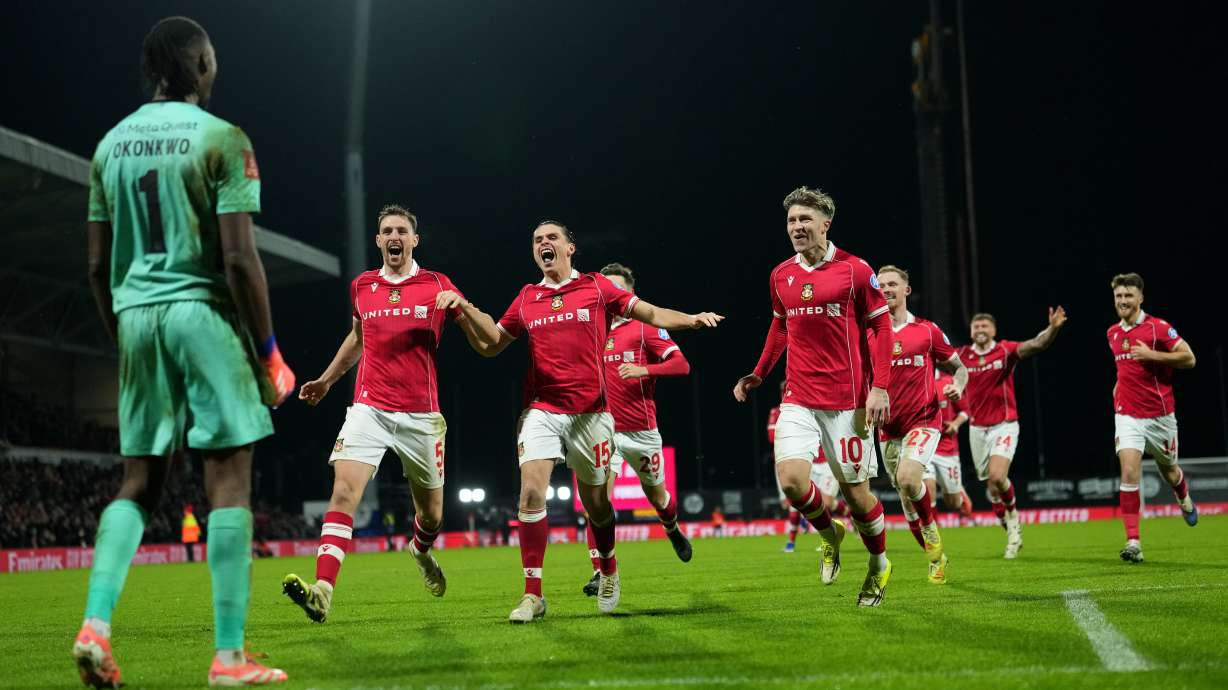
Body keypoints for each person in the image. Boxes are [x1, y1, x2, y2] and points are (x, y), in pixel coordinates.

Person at [76, 16, 294, 687]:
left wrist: (130, 340)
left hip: (135, 315)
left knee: (139, 483)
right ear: (200, 65)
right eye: (213, 59)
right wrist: (268, 353)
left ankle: (95, 626)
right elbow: (238, 259)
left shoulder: (109, 147)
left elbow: (94, 268)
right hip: (200, 315)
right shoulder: (224, 138)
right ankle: (229, 657)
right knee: (228, 477)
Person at [467, 221, 721, 623]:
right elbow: (492, 345)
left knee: (597, 505)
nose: (543, 244)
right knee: (531, 494)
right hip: (543, 410)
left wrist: (689, 319)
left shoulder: (597, 288)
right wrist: (465, 312)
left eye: (552, 238)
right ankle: (533, 595)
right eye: (537, 240)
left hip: (593, 415)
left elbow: (650, 311)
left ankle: (609, 568)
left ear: (570, 248)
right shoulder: (527, 297)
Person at [282, 204, 499, 622]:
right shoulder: (363, 286)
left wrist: (464, 306)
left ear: (414, 240)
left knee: (431, 515)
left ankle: (420, 551)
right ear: (378, 240)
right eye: (387, 231)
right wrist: (327, 381)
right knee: (343, 490)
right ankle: (323, 591)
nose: (394, 236)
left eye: (402, 230)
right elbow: (357, 338)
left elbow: (489, 342)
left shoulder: (437, 284)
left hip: (421, 417)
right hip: (369, 408)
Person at [733, 187, 896, 607]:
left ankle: (878, 566)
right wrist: (759, 372)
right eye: (791, 221)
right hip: (799, 395)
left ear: (826, 224)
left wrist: (880, 387)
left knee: (858, 497)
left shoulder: (856, 270)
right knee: (790, 481)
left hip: (849, 401)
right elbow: (780, 328)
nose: (797, 228)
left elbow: (881, 328)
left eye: (805, 220)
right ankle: (829, 533)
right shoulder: (780, 275)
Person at [579, 263, 693, 597]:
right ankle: (601, 570)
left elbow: (681, 364)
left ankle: (671, 527)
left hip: (640, 431)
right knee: (596, 502)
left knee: (659, 498)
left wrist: (644, 369)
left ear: (629, 294)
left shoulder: (644, 328)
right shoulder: (593, 331)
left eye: (617, 289)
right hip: (601, 431)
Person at [871, 266, 968, 583]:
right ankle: (936, 557)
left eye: (892, 284)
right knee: (907, 502)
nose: (886, 288)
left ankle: (932, 535)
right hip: (887, 429)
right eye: (881, 284)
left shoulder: (926, 331)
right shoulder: (868, 334)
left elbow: (959, 367)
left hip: (924, 420)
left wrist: (958, 385)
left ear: (906, 290)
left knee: (910, 479)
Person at [958, 306, 1066, 559]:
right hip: (976, 428)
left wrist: (1053, 328)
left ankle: (1014, 523)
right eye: (976, 326)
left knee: (997, 475)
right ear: (971, 331)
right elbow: (933, 356)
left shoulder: (1005, 350)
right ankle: (1009, 528)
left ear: (994, 330)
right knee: (992, 489)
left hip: (1004, 424)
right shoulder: (962, 355)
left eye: (985, 326)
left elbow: (1036, 344)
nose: (980, 330)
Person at [1106, 273, 1198, 563]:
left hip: (1160, 417)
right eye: (1119, 296)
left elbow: (1190, 358)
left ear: (1140, 298)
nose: (1123, 301)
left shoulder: (1159, 328)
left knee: (1169, 471)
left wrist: (1153, 356)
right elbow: (1124, 372)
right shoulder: (1112, 333)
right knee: (1129, 472)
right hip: (1127, 415)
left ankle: (1183, 497)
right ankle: (1133, 542)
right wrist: (1117, 391)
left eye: (1128, 295)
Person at [770, 381, 847, 554]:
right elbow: (771, 436)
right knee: (794, 500)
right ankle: (793, 541)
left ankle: (847, 518)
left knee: (825, 501)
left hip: (827, 460)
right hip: (804, 461)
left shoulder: (819, 407)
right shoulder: (780, 413)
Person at [930, 370, 975, 522]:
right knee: (926, 490)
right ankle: (931, 532)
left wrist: (956, 424)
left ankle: (961, 497)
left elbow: (965, 410)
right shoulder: (913, 380)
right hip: (923, 445)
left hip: (946, 447)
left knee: (953, 502)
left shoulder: (948, 382)